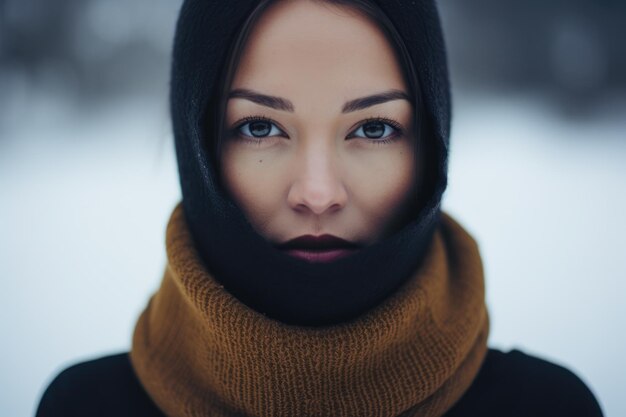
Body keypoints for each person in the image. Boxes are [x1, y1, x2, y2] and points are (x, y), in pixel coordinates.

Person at [35, 0, 604, 416]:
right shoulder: (85, 407)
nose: (317, 192)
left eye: (374, 128)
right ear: (197, 143)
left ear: (430, 144)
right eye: (260, 127)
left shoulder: (548, 407)